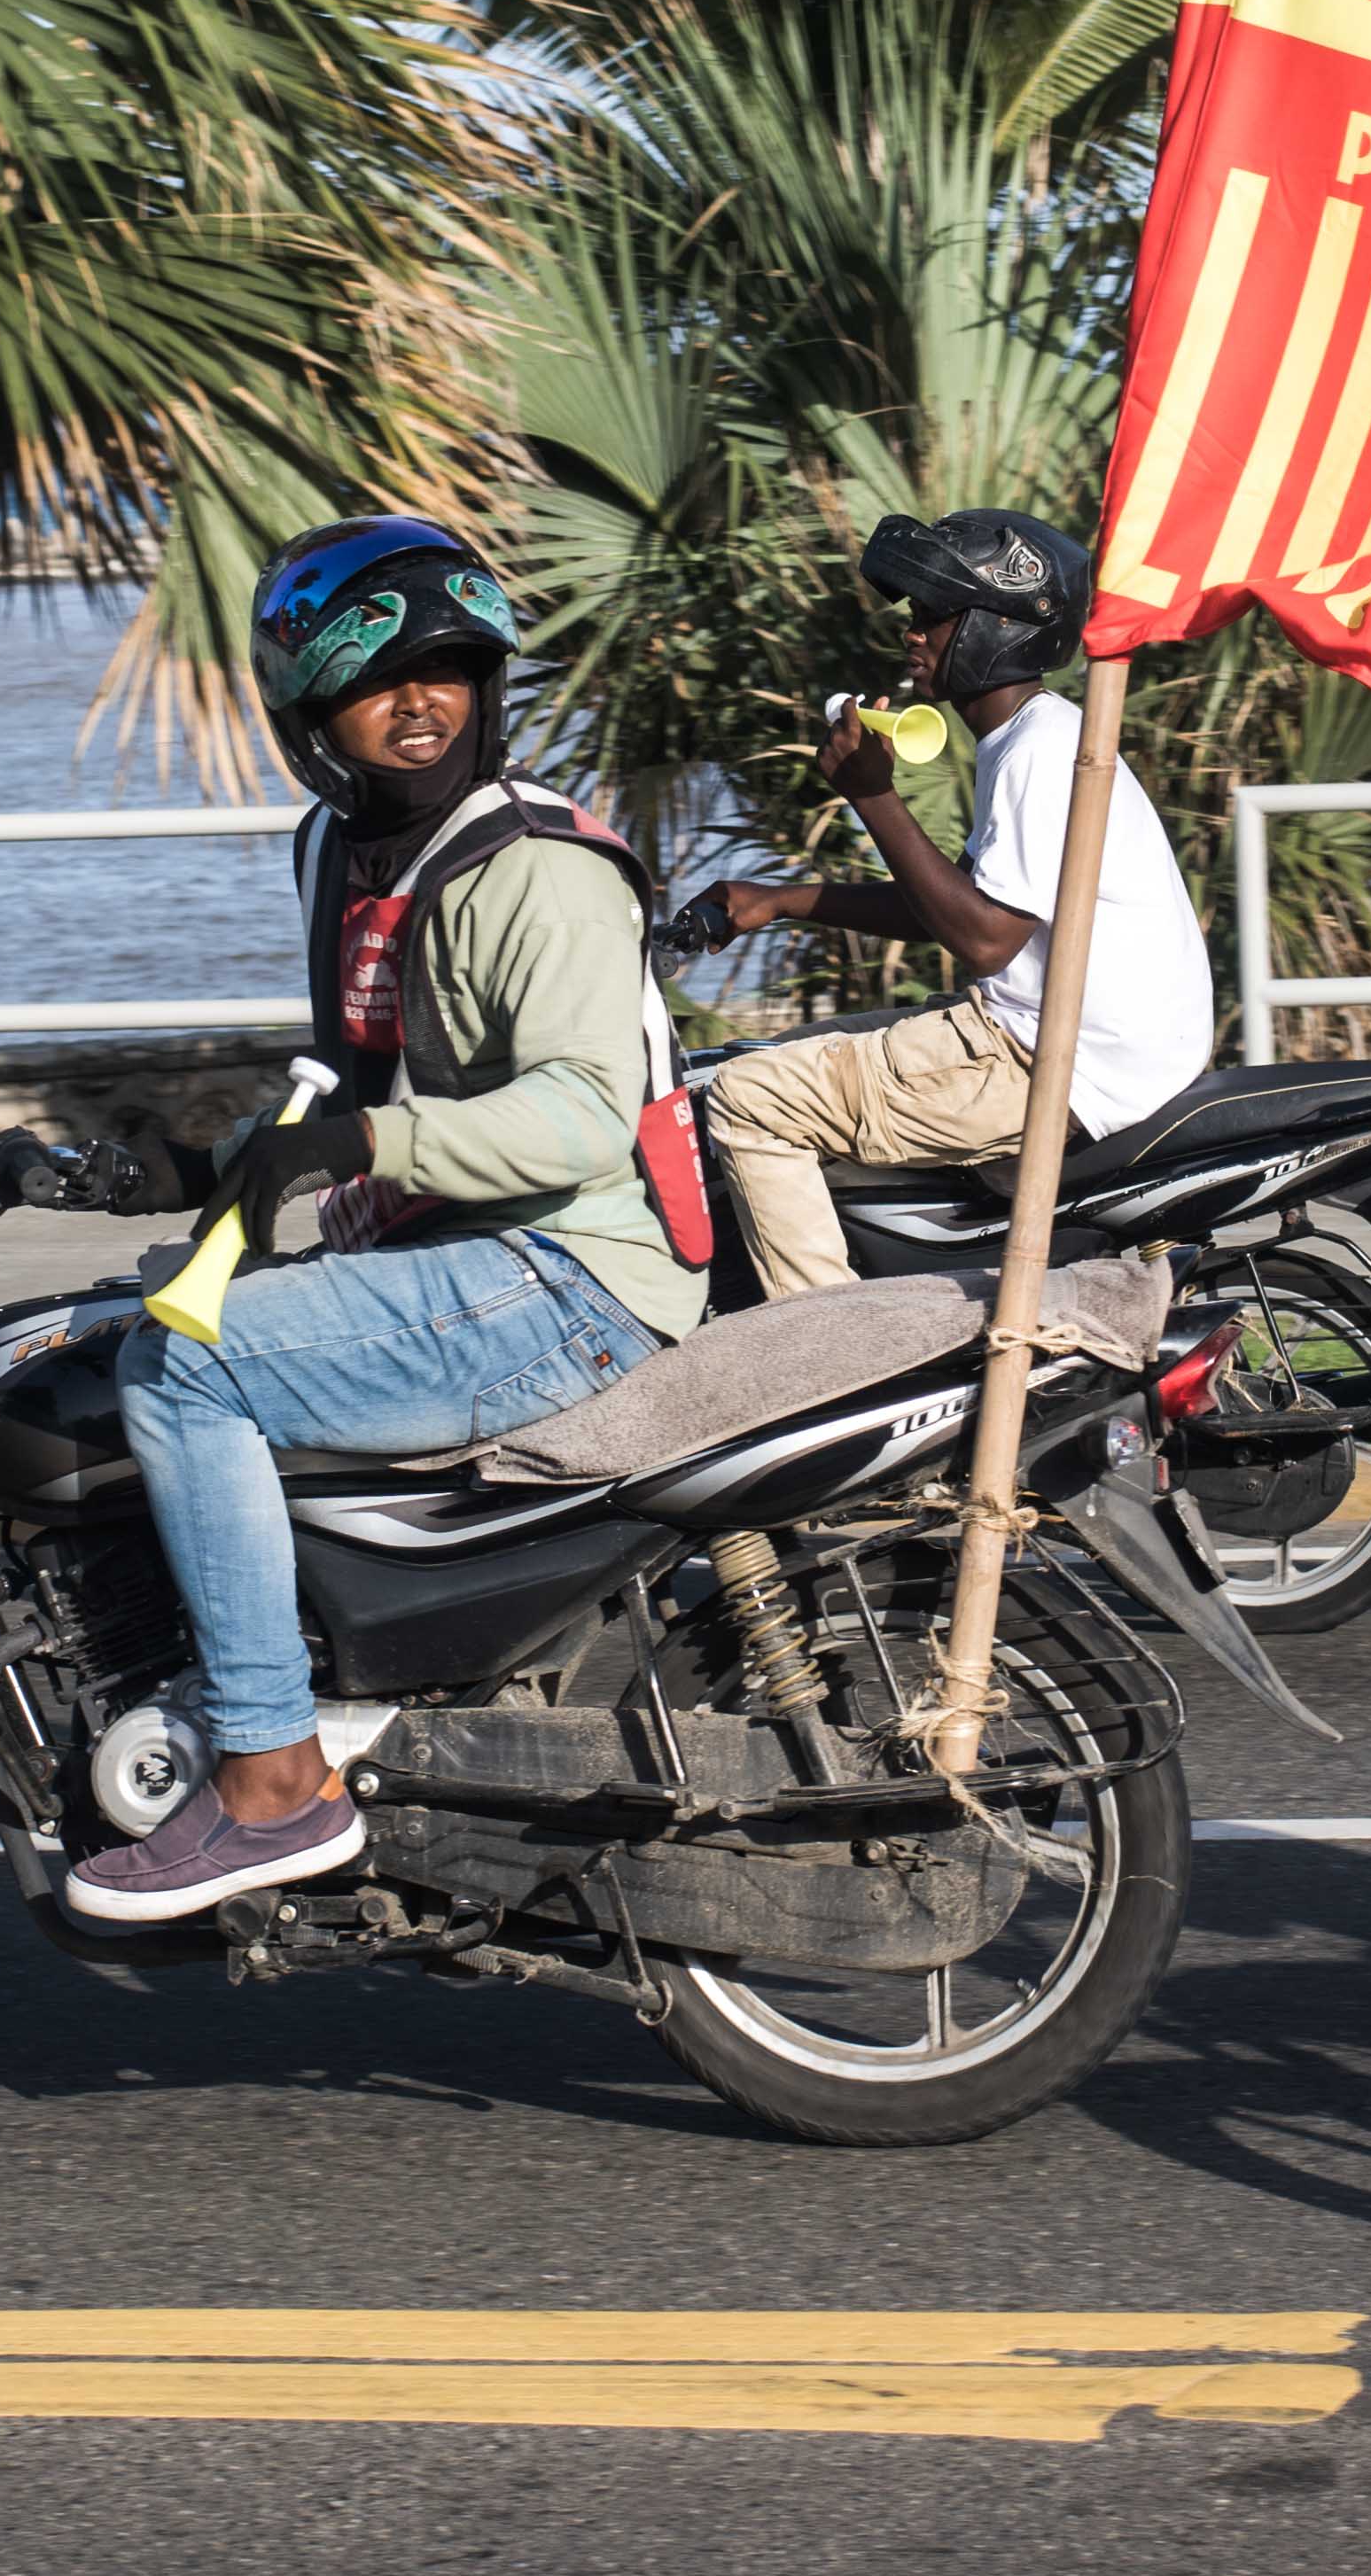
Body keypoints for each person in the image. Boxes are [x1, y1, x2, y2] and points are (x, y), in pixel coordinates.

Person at [70, 517, 699, 1929]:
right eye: (380, 682)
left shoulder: (533, 865)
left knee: (186, 1361)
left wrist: (363, 1139)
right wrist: (167, 1169)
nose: (421, 704)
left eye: (451, 673)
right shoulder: (339, 855)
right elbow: (352, 1100)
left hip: (573, 1275)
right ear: (312, 717)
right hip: (458, 1256)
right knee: (125, 1316)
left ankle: (271, 1779)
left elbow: (581, 1121)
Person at [667, 506, 1217, 1291]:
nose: (911, 633)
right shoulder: (1030, 738)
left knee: (751, 1098)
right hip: (1070, 1044)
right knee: (770, 1054)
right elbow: (951, 906)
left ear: (1000, 627)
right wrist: (779, 899)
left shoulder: (1039, 751)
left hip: (1059, 1062)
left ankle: (832, 1364)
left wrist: (871, 796)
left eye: (933, 615)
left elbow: (983, 940)